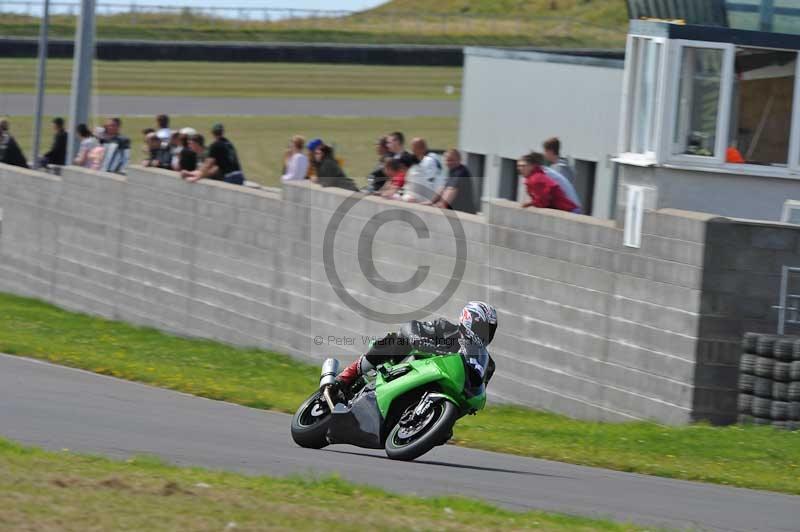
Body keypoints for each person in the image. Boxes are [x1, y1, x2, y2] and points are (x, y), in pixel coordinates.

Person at [335, 301, 498, 394]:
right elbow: (411, 326)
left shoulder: (487, 364)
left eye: (490, 329)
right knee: (396, 340)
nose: (487, 333)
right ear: (470, 320)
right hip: (409, 366)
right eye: (484, 327)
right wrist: (418, 340)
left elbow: (477, 391)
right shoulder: (447, 329)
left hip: (440, 387)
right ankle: (347, 375)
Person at [426, 149, 476, 214]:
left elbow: (451, 190)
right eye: (447, 160)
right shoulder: (452, 171)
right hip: (457, 212)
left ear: (459, 160)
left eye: (452, 160)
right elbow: (443, 188)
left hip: (464, 214)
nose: (449, 162)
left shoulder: (461, 172)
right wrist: (431, 202)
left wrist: (441, 204)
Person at [404, 137, 444, 202]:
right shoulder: (414, 164)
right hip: (413, 199)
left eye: (415, 148)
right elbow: (408, 182)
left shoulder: (430, 161)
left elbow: (428, 183)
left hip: (427, 200)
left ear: (423, 149)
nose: (412, 150)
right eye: (412, 147)